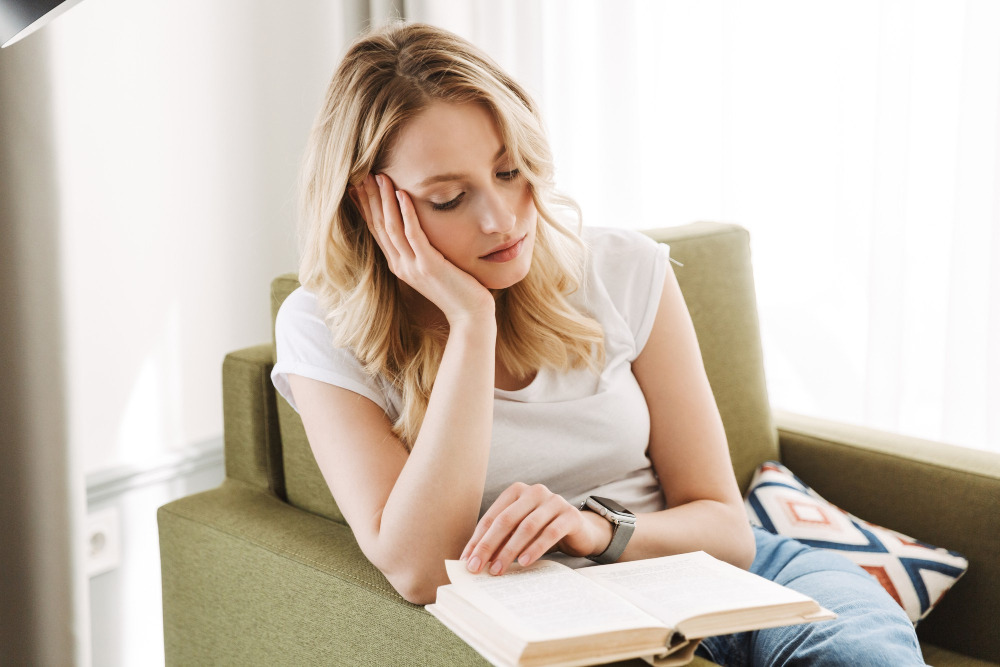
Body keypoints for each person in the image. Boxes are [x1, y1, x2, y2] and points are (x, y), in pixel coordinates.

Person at [270, 21, 925, 665]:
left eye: (509, 170)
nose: (501, 219)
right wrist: (473, 323)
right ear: (369, 201)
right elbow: (418, 569)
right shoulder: (322, 330)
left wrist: (596, 529)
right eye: (448, 197)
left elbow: (727, 529)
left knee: (862, 648)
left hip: (716, 569)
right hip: (570, 616)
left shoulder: (624, 269)